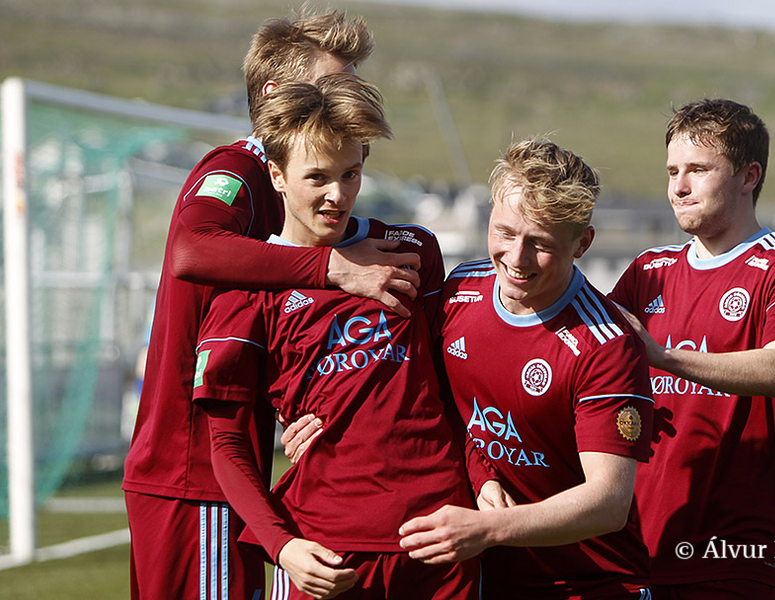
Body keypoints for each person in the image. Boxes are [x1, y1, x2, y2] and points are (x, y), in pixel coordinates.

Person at [122, 11, 421, 600]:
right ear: (273, 93)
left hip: (229, 470)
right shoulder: (236, 169)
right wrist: (333, 268)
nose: (345, 101)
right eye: (333, 84)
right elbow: (191, 249)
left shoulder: (315, 204)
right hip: (194, 470)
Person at [194, 74, 480, 600]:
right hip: (326, 547)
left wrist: (482, 483)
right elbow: (227, 443)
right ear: (276, 175)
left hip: (442, 535)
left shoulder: (411, 249)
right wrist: (282, 546)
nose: (338, 195)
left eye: (351, 174)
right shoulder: (245, 291)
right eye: (318, 178)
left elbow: (455, 381)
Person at [398, 136, 655, 600]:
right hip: (489, 581)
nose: (516, 259)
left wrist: (490, 528)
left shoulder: (607, 344)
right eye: (505, 232)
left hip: (594, 585)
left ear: (582, 243)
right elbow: (434, 401)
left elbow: (608, 503)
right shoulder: (460, 290)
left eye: (540, 244)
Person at [608, 99, 775, 600]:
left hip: (735, 555)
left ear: (749, 176)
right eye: (672, 171)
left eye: (698, 169)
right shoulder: (648, 269)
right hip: (634, 545)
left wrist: (662, 355)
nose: (679, 187)